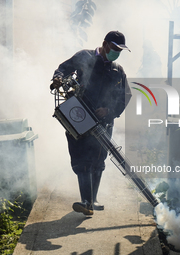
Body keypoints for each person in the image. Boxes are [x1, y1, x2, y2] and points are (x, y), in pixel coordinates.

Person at [51, 31, 132, 216]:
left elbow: (125, 96)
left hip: (103, 121)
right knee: (81, 158)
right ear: (104, 44)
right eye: (115, 48)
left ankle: (92, 200)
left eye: (120, 50)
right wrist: (57, 78)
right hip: (79, 116)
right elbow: (63, 69)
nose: (117, 53)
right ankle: (87, 201)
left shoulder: (117, 70)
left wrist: (109, 111)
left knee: (98, 159)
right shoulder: (84, 57)